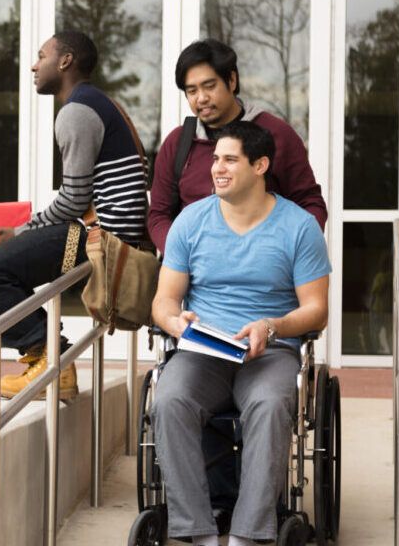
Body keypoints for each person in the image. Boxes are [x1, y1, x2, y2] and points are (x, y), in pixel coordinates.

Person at [150, 121, 330, 546]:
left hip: (269, 353)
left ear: (260, 165)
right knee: (170, 399)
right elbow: (163, 301)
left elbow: (317, 310)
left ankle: (247, 535)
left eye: (230, 159)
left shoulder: (299, 227)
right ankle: (198, 533)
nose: (217, 168)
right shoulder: (190, 222)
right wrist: (177, 323)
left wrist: (274, 325)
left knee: (269, 406)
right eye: (215, 159)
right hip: (204, 352)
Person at [0, 31, 148, 400]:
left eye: (41, 55)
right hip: (103, 232)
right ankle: (49, 356)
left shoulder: (77, 111)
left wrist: (20, 232)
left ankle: (50, 357)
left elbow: (73, 198)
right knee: (3, 265)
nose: (34, 65)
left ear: (65, 61)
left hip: (100, 238)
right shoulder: (97, 103)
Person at [147, 38, 326, 254]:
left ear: (231, 80)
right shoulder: (178, 142)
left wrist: (289, 257)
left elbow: (310, 203)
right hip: (193, 277)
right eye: (192, 91)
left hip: (263, 276)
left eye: (210, 86)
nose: (201, 98)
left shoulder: (277, 134)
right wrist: (181, 255)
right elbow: (158, 215)